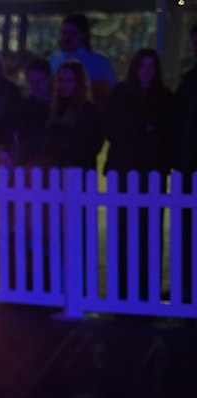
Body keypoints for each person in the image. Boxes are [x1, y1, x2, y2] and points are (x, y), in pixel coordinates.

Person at [105, 48, 175, 301]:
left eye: (151, 67)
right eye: (143, 66)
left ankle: (146, 290)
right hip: (125, 169)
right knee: (123, 233)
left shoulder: (164, 97)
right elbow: (111, 127)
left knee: (149, 233)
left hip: (151, 170)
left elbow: (169, 133)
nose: (147, 71)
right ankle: (122, 289)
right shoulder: (122, 95)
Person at [40, 59, 104, 171]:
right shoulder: (53, 110)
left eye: (69, 80)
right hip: (54, 174)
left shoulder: (89, 111)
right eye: (61, 80)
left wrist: (67, 161)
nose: (64, 85)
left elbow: (92, 146)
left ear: (79, 83)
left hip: (79, 174)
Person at [48, 13, 117, 109]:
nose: (67, 38)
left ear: (84, 35)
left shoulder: (100, 63)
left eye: (73, 33)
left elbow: (110, 96)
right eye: (64, 33)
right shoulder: (51, 61)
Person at [0, 57, 53, 169]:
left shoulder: (59, 108)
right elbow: (12, 134)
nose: (35, 87)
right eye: (32, 82)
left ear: (49, 79)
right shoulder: (23, 108)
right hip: (26, 167)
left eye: (39, 81)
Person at [175, 22, 197, 303]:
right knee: (187, 234)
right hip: (188, 169)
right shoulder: (189, 80)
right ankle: (187, 285)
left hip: (189, 165)